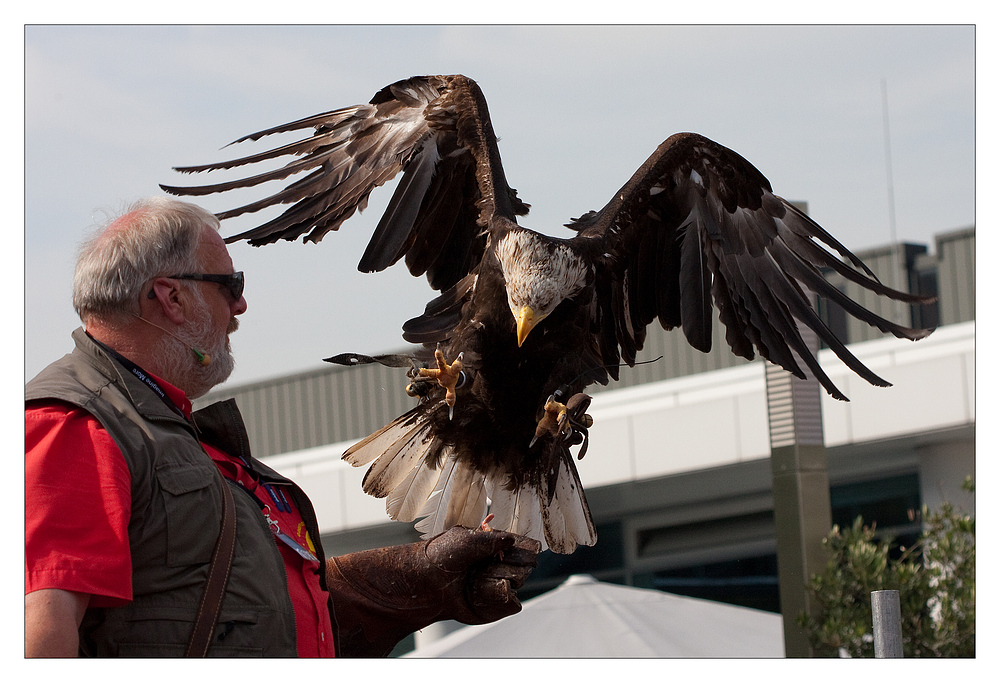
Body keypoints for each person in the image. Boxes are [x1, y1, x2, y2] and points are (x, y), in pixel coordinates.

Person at [24, 196, 540, 658]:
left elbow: (238, 620)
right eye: (230, 285)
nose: (241, 305)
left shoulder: (173, 435)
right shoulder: (75, 424)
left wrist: (413, 582)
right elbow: (40, 634)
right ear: (171, 298)